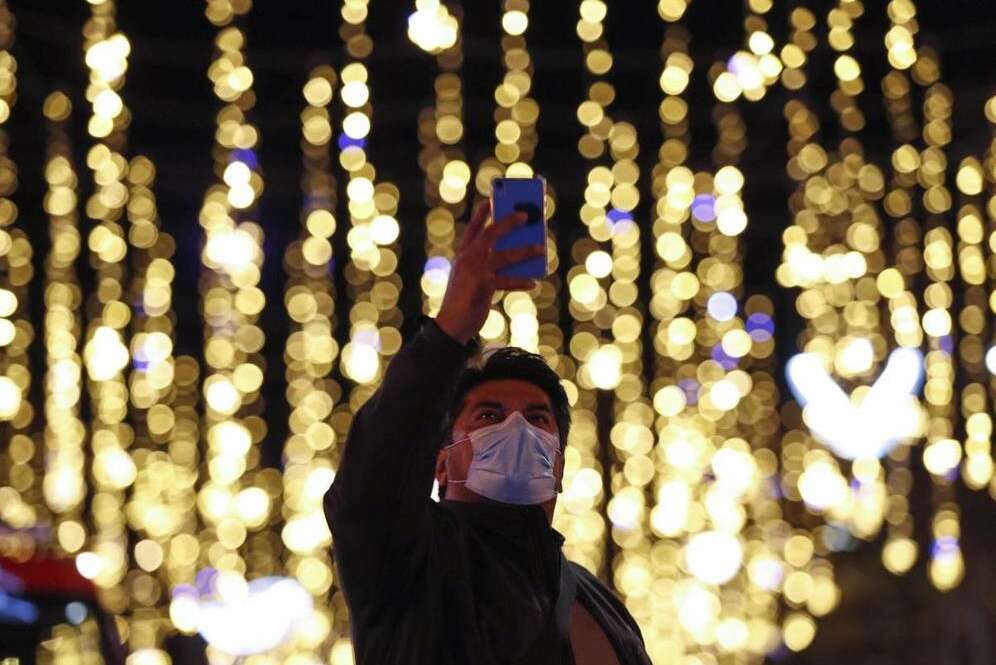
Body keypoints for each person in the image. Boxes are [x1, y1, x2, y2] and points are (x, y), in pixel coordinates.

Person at [324, 201, 652, 664]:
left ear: (558, 466)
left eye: (538, 418)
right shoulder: (416, 566)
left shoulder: (600, 608)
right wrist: (449, 331)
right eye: (489, 416)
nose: (517, 427)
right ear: (441, 461)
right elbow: (370, 487)